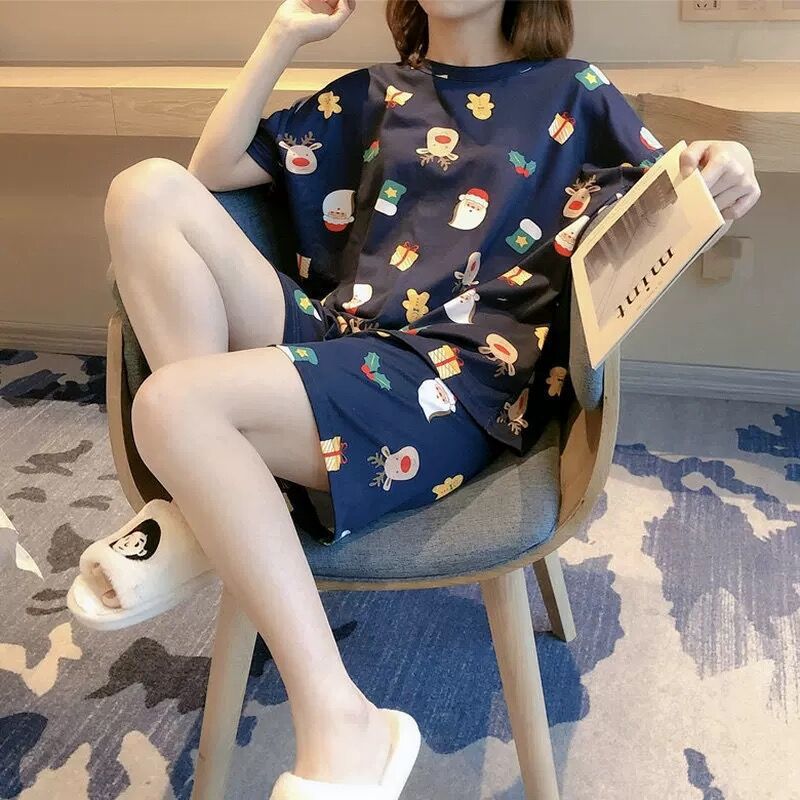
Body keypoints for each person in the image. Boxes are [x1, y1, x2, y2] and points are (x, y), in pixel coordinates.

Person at [80, 0, 761, 795]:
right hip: (340, 335)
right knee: (145, 190)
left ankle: (340, 719)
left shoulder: (574, 93)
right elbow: (213, 172)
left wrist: (729, 159)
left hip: (455, 379)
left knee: (171, 405)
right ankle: (209, 502)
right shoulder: (374, 92)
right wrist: (285, 33)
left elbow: (670, 199)